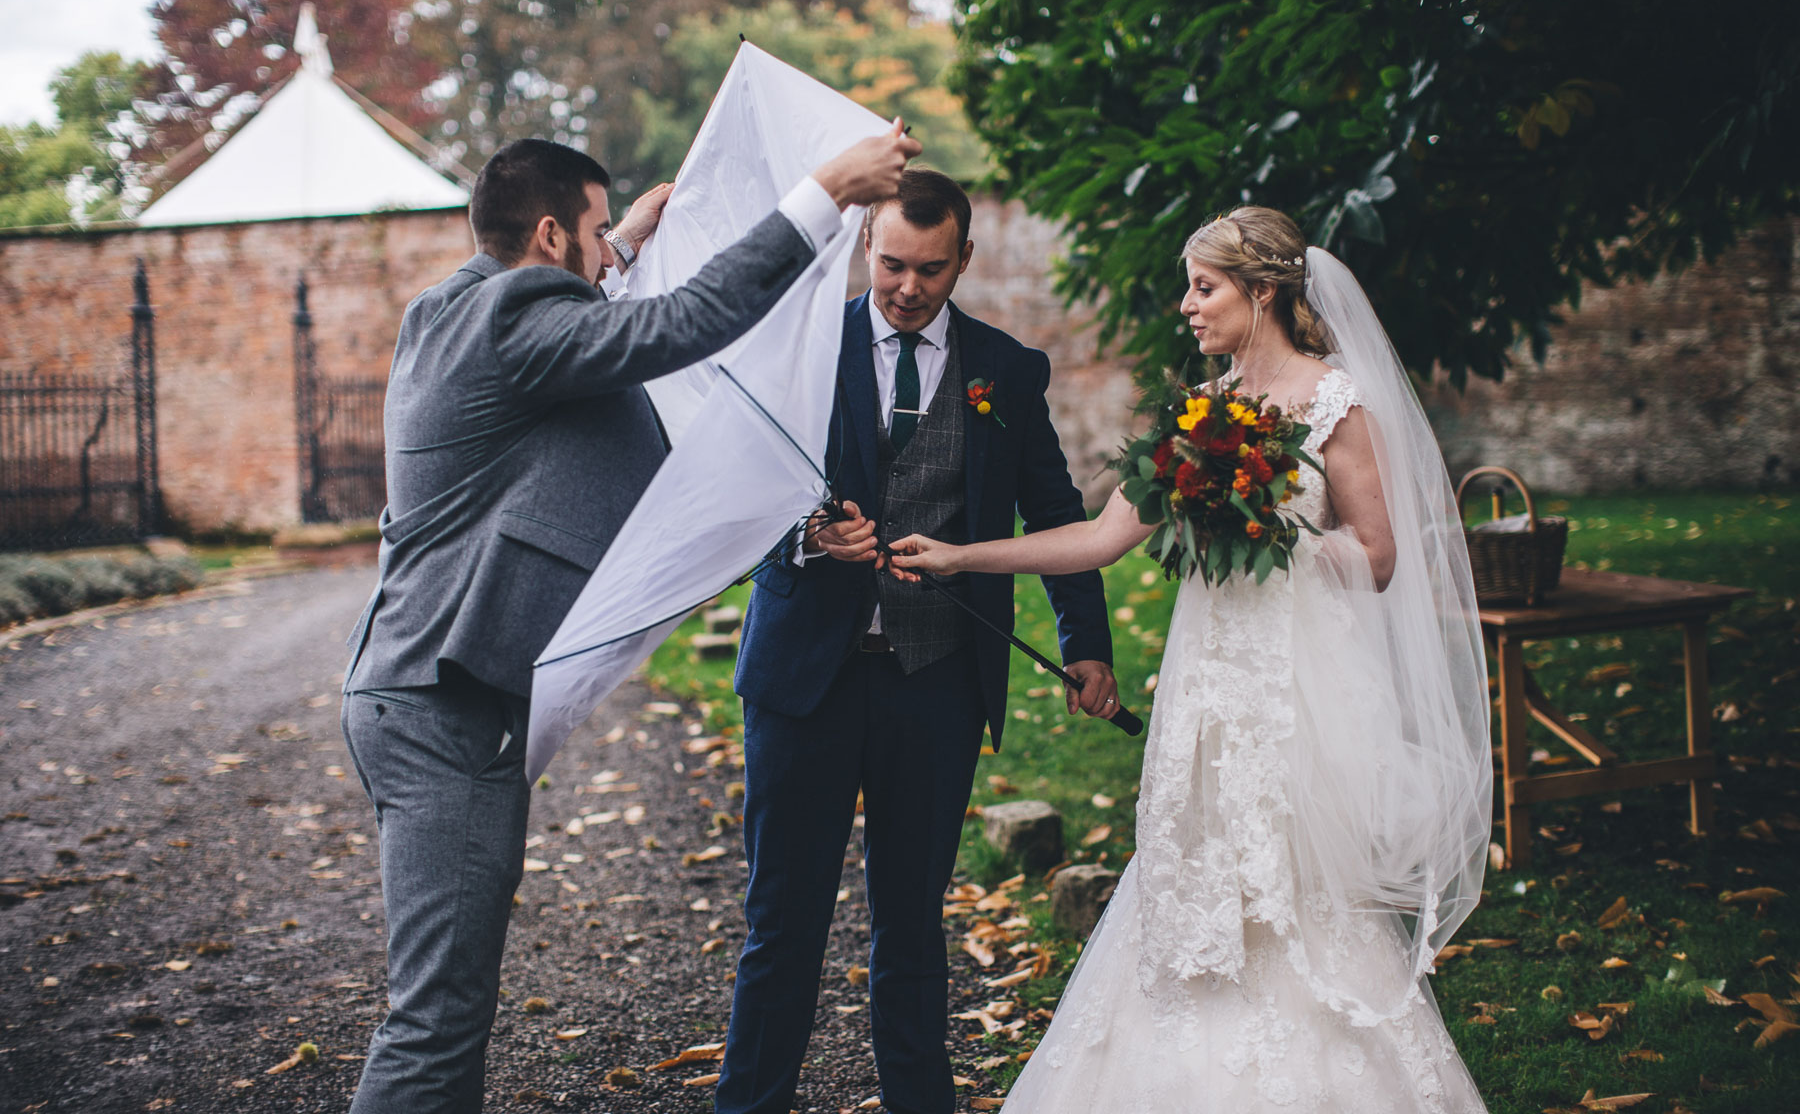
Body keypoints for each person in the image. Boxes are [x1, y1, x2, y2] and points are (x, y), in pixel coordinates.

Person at [337, 127, 920, 1113]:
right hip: (446, 710)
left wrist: (635, 247)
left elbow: (586, 357)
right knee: (434, 1024)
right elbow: (684, 325)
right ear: (554, 236)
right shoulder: (514, 315)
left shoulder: (450, 308)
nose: (615, 252)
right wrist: (825, 191)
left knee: (447, 1011)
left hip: (424, 700)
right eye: (603, 234)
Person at [891, 207, 1493, 1112]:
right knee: (1191, 872)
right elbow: (1097, 539)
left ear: (1262, 294)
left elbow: (1376, 557)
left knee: (1295, 891)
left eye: (1203, 288)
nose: (1187, 306)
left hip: (1300, 689)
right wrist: (960, 557)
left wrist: (1271, 529)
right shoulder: (1199, 417)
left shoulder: (1337, 402)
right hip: (1205, 691)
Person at [718, 167, 1119, 1114]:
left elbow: (1055, 511)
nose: (908, 287)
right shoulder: (802, 347)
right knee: (782, 922)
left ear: (964, 261)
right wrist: (806, 534)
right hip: (801, 679)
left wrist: (1086, 642)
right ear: (866, 245)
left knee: (911, 923)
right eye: (894, 264)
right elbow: (735, 496)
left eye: (931, 271)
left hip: (936, 680)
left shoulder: (1008, 371)